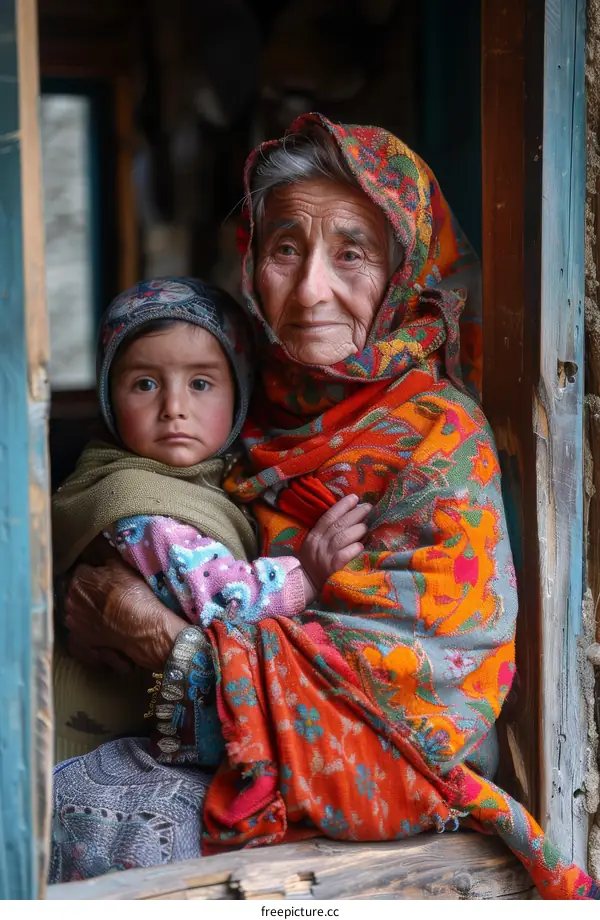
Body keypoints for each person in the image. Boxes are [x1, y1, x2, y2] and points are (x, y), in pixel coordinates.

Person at [51, 114, 599, 900]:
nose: (311, 290)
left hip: (359, 807)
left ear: (403, 272)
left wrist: (153, 633)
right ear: (251, 264)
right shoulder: (228, 409)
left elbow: (410, 723)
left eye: (352, 253)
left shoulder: (439, 447)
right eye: (285, 249)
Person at [51, 278, 370, 765]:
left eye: (200, 383)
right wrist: (305, 574)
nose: (174, 407)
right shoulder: (138, 501)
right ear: (109, 398)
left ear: (239, 393)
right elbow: (219, 600)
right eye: (145, 384)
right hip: (90, 737)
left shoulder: (214, 484)